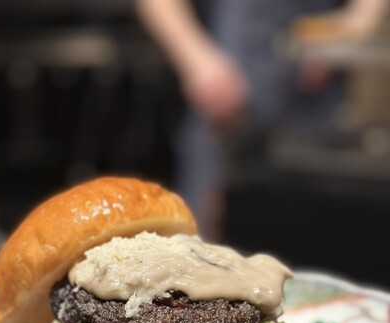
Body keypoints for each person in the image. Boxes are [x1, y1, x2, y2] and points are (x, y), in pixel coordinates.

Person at [136, 0, 388, 241]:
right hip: (225, 109)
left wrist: (357, 22)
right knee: (207, 240)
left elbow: (362, 17)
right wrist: (198, 61)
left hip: (312, 111)